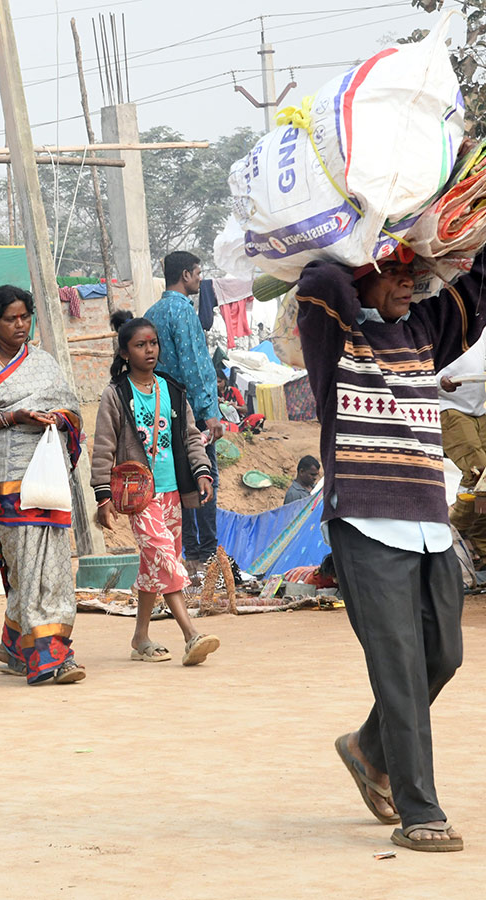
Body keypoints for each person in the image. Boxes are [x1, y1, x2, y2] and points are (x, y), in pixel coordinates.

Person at [297, 245, 486, 852]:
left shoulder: (426, 332)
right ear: (365, 279)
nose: (410, 285)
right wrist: (373, 240)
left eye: (415, 275)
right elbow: (322, 277)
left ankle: (366, 748)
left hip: (430, 524)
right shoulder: (336, 339)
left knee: (444, 656)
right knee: (400, 668)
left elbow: (475, 290)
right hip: (365, 523)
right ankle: (420, 810)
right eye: (397, 276)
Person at [0, 285, 85, 686]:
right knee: (28, 567)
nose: (20, 325)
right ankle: (50, 657)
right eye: (11, 318)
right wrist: (14, 417)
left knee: (55, 565)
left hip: (48, 475)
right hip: (6, 482)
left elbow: (72, 408)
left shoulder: (42, 361)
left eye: (25, 316)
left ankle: (13, 646)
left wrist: (59, 418)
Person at [91, 317, 220, 665]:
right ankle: (191, 634)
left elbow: (192, 438)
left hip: (172, 492)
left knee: (153, 565)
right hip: (138, 497)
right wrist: (103, 497)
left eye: (153, 343)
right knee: (165, 556)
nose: (149, 350)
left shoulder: (172, 391)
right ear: (124, 352)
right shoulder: (116, 394)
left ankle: (140, 636)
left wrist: (202, 473)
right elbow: (103, 446)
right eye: (140, 345)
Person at [144, 251, 223, 576]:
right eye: (198, 272)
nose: (200, 279)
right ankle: (207, 557)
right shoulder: (183, 312)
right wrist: (210, 411)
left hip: (162, 412)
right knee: (204, 478)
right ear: (186, 275)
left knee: (178, 482)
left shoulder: (152, 313)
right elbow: (195, 365)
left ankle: (186, 556)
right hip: (192, 414)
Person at [437, 332, 486, 561]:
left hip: (480, 409)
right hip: (450, 408)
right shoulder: (437, 324)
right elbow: (414, 370)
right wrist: (439, 381)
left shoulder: (482, 328)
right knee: (478, 471)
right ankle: (456, 533)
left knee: (484, 484)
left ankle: (480, 546)